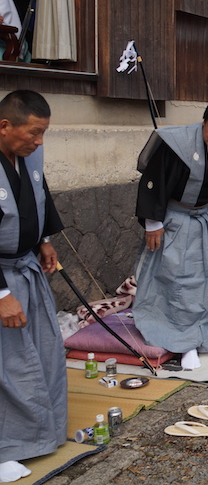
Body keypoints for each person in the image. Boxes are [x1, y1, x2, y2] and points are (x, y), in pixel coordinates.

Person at [134, 98, 208, 370]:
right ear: (204, 122)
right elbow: (153, 179)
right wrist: (153, 222)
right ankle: (184, 341)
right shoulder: (176, 144)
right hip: (177, 219)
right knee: (180, 280)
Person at [0, 91, 66, 483]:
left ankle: (39, 433)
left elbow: (39, 195)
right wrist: (1, 295)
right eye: (34, 133)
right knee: (8, 366)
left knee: (42, 353)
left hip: (25, 268)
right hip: (3, 278)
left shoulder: (26, 157)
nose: (39, 142)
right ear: (4, 126)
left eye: (43, 133)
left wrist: (43, 239)